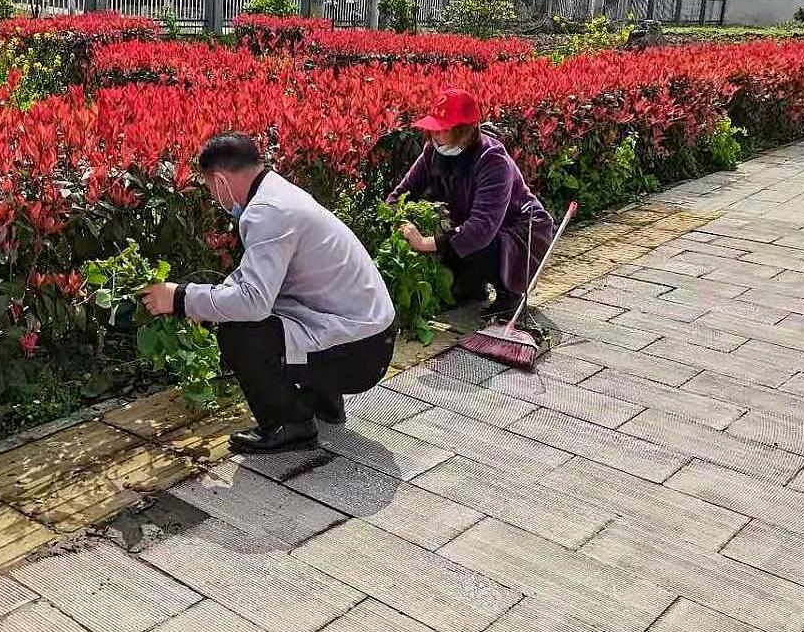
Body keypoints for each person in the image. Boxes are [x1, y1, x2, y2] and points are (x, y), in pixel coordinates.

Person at [142, 133, 397, 453]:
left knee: (240, 333)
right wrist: (202, 303)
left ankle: (290, 424)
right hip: (367, 336)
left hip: (361, 351)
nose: (215, 198)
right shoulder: (277, 194)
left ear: (220, 180)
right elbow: (255, 280)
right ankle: (321, 401)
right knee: (261, 319)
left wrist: (180, 298)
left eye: (210, 189)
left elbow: (253, 303)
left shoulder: (267, 212)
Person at [389, 87, 554, 318]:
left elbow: (482, 228)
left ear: (464, 131)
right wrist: (399, 219)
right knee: (460, 285)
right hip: (467, 225)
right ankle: (470, 288)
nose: (435, 135)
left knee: (482, 246)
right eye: (434, 129)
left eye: (443, 130)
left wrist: (424, 242)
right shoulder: (432, 151)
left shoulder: (493, 160)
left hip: (515, 231)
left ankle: (509, 293)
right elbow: (400, 195)